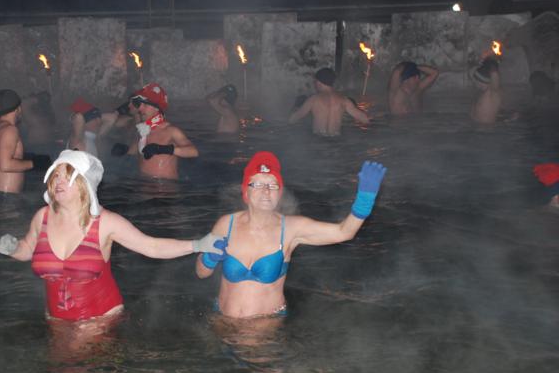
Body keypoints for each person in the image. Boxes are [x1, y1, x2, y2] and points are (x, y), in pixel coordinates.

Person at [0, 149, 225, 321]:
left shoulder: (106, 223)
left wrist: (196, 245)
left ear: (85, 184)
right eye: (55, 176)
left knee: (79, 371)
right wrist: (13, 248)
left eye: (67, 176)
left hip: (100, 320)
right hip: (56, 320)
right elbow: (28, 249)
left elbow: (151, 246)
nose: (58, 182)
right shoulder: (42, 217)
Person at [196, 151, 386, 318]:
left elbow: (344, 232)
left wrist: (364, 200)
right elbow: (201, 273)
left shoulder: (291, 228)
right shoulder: (226, 225)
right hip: (222, 319)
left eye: (272, 185)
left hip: (265, 327)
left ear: (279, 194)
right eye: (258, 184)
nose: (266, 191)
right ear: (246, 191)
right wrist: (209, 259)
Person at [0, 89, 51, 194]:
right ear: (18, 109)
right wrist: (35, 163)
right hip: (8, 196)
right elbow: (5, 165)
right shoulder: (10, 130)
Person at [125, 83, 198, 180]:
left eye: (145, 105)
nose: (140, 108)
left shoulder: (171, 131)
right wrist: (124, 150)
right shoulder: (143, 130)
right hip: (143, 183)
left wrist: (163, 149)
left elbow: (193, 152)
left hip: (165, 186)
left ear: (156, 108)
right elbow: (136, 151)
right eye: (140, 105)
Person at [288, 68, 370, 136]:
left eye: (315, 81)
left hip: (318, 141)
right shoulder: (344, 100)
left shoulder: (313, 99)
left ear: (319, 82)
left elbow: (292, 119)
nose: (315, 84)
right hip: (336, 141)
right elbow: (365, 119)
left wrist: (296, 106)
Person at [21, 91, 57, 155]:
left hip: (39, 148)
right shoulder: (40, 118)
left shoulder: (38, 119)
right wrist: (38, 99)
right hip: (40, 147)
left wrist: (37, 99)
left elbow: (24, 104)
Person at [470, 58, 502, 124]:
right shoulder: (481, 93)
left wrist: (490, 62)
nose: (476, 84)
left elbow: (495, 73)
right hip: (476, 126)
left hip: (486, 128)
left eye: (477, 82)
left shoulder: (493, 92)